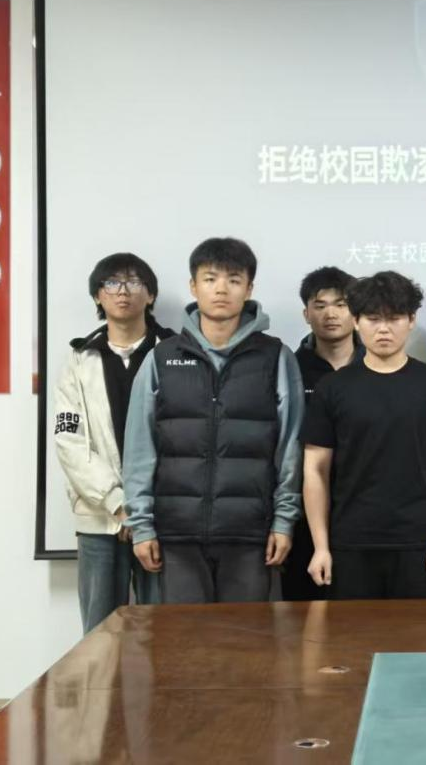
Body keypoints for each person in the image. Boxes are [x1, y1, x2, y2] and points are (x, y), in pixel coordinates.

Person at [122, 237, 303, 603]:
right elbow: (139, 448)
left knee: (247, 636)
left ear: (249, 289)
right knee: (183, 637)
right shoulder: (162, 358)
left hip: (250, 536)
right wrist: (141, 525)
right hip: (178, 535)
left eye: (234, 280)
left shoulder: (276, 357)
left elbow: (290, 447)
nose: (221, 289)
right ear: (193, 286)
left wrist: (284, 521)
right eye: (210, 279)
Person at [303, 271, 426, 599]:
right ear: (356, 321)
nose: (383, 328)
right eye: (373, 318)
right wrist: (320, 546)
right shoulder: (333, 388)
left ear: (411, 320)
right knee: (351, 633)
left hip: (422, 544)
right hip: (350, 543)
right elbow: (315, 469)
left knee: (420, 632)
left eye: (394, 318)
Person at [54, 252, 171, 631]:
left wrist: (143, 510)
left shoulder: (174, 354)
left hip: (163, 518)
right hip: (100, 518)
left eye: (134, 282)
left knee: (167, 632)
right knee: (99, 635)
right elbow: (69, 440)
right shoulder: (79, 360)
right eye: (112, 283)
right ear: (97, 296)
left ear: (150, 295)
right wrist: (118, 503)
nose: (123, 291)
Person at [281, 266, 363, 602]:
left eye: (341, 304)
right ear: (306, 314)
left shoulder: (377, 364)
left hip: (361, 510)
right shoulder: (288, 368)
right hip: (301, 511)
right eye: (320, 305)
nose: (331, 314)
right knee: (304, 617)